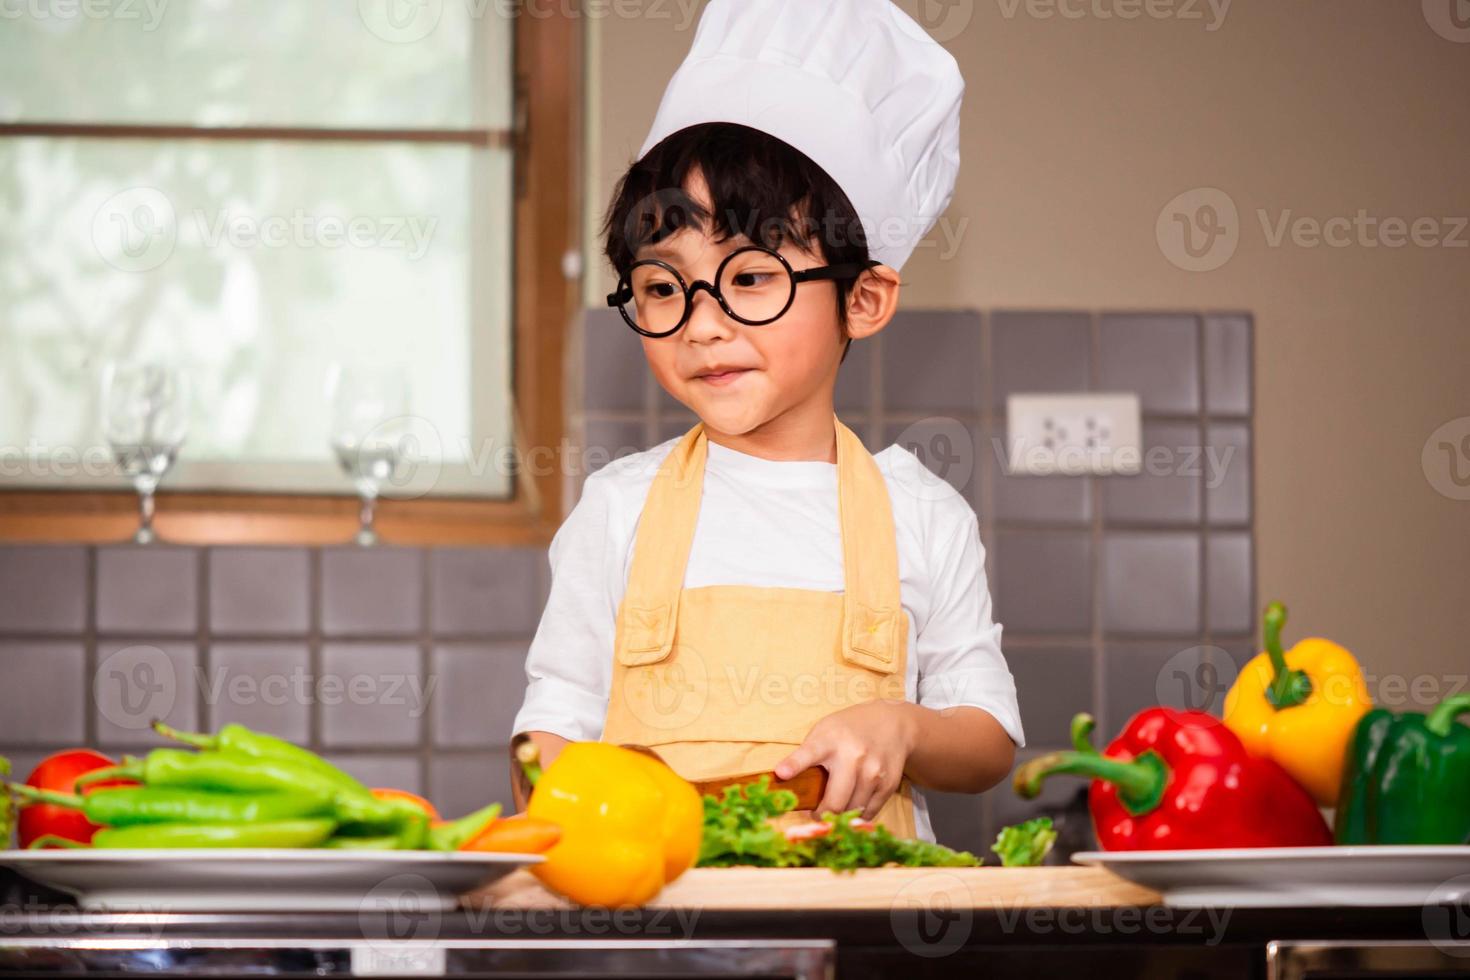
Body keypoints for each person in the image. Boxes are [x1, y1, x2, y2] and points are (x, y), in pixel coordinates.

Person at [511, 0, 1023, 842]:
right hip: (662, 927)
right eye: (663, 287)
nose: (702, 323)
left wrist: (905, 726)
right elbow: (553, 724)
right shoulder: (618, 507)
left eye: (750, 277)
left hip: (867, 929)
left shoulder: (920, 512)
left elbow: (988, 740)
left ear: (863, 298)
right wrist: (564, 790)